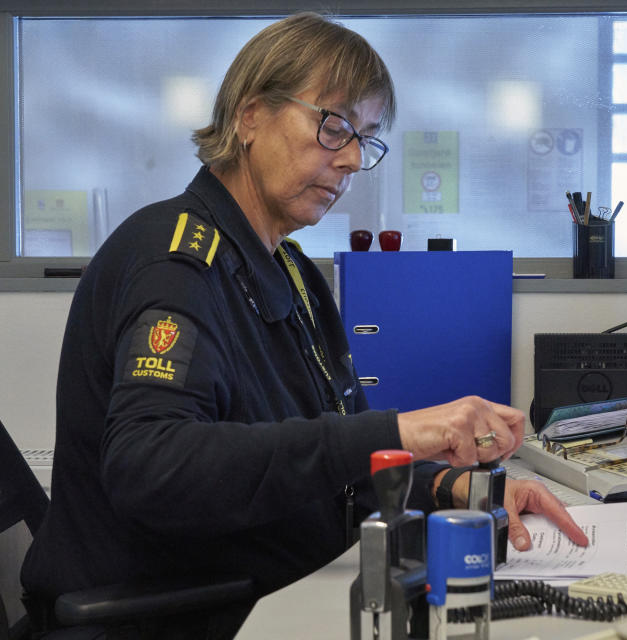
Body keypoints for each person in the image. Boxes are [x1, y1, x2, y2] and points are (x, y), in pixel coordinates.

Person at [20, 12, 588, 638]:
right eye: (333, 126)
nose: (349, 159)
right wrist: (401, 427)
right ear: (250, 116)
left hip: (289, 587)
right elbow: (150, 466)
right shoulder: (175, 264)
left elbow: (335, 454)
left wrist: (457, 487)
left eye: (364, 138)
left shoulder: (290, 270)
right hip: (187, 613)